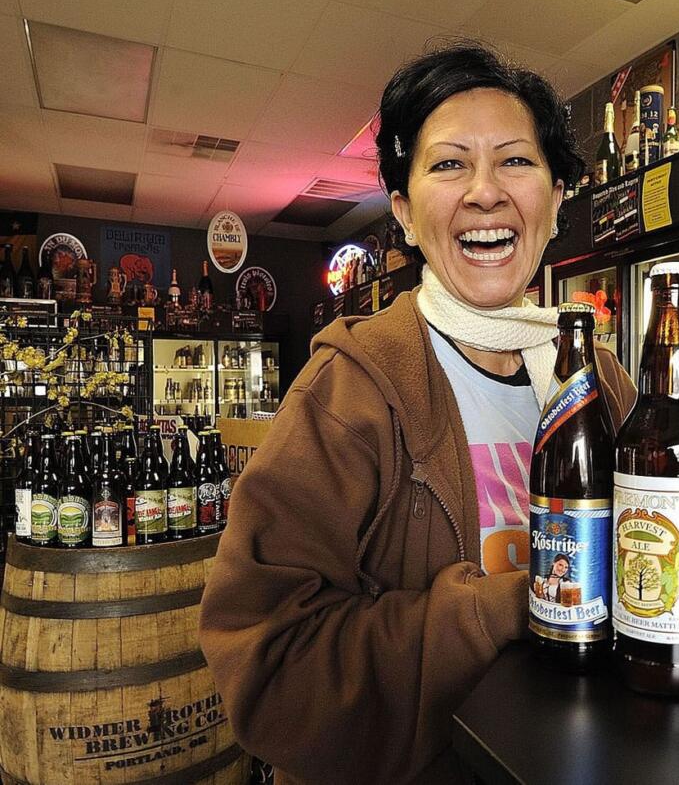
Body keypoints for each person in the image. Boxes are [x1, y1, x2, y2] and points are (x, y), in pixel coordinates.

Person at [199, 42, 637, 784]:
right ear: (402, 211)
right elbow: (268, 666)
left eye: (516, 161)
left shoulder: (598, 377)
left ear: (559, 199)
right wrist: (500, 609)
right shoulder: (350, 388)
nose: (485, 192)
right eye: (448, 164)